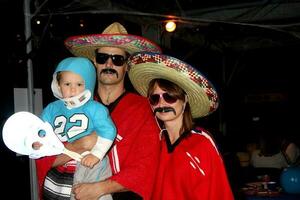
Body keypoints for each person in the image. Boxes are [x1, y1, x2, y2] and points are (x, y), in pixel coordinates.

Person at [54, 22, 162, 200]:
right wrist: (79, 145)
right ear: (95, 62)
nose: (109, 64)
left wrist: (99, 188)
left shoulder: (141, 109)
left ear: (126, 66)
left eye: (118, 59)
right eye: (103, 58)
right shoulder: (71, 106)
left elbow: (146, 166)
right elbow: (47, 159)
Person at [127, 52, 234, 199]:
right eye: (154, 98)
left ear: (185, 100)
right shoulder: (154, 143)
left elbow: (218, 193)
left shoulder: (201, 144)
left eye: (169, 96)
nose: (161, 103)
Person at [35, 57, 117, 200]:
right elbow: (41, 129)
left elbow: (109, 131)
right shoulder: (51, 109)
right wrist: (38, 141)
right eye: (67, 84)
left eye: (79, 84)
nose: (73, 89)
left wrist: (96, 154)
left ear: (89, 84)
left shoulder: (95, 108)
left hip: (89, 163)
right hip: (61, 166)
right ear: (58, 85)